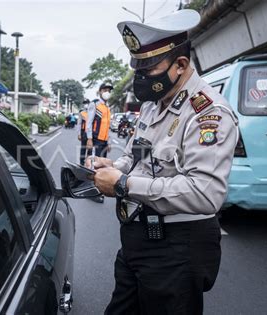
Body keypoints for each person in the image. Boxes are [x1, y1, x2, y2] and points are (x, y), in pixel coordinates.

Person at [87, 9, 239, 315]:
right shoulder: (153, 106)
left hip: (178, 249)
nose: (140, 78)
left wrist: (123, 185)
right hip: (136, 238)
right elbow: (137, 155)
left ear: (180, 64)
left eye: (148, 69)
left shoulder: (207, 114)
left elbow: (205, 193)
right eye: (137, 69)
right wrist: (113, 167)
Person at [85, 82, 113, 158]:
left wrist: (108, 142)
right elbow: (89, 122)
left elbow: (108, 126)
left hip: (104, 142)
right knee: (93, 165)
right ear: (100, 91)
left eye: (109, 91)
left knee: (102, 165)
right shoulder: (94, 104)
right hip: (95, 140)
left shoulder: (107, 107)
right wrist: (89, 139)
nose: (107, 92)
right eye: (105, 90)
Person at [77, 99, 90, 164]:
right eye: (84, 103)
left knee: (90, 148)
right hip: (84, 133)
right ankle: (81, 162)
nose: (86, 104)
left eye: (87, 103)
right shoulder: (81, 113)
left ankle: (88, 162)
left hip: (91, 133)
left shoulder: (92, 112)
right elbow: (79, 124)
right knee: (83, 148)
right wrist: (79, 134)